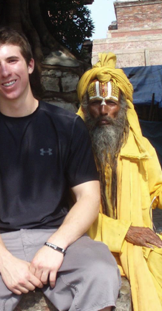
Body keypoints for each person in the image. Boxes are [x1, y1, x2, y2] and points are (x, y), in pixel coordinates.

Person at [0, 27, 120, 311]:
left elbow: (89, 197)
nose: (5, 72)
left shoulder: (67, 125)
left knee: (101, 272)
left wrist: (55, 246)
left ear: (29, 65)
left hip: (58, 234)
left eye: (12, 61)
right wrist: (4, 262)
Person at [77, 52, 162, 311]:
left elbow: (157, 188)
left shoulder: (141, 146)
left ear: (122, 106)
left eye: (111, 102)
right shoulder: (73, 151)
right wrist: (124, 231)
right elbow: (69, 211)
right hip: (91, 244)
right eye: (96, 102)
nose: (104, 110)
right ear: (85, 107)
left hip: (141, 243)